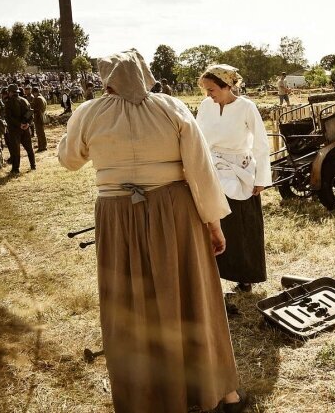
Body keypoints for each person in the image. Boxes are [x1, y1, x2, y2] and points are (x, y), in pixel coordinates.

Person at [57, 50, 247, 413]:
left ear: (105, 78)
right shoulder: (171, 107)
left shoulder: (89, 113)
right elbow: (200, 169)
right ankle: (224, 394)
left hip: (117, 214)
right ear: (146, 74)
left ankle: (146, 399)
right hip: (173, 211)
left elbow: (69, 160)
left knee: (130, 301)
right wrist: (213, 222)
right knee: (193, 294)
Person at [196, 65, 270, 293]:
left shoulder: (246, 107)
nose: (208, 94)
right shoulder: (205, 106)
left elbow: (260, 143)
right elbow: (197, 138)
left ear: (227, 86)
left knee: (241, 225)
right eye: (206, 90)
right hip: (212, 168)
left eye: (212, 89)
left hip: (240, 171)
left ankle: (245, 277)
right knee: (213, 222)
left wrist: (261, 178)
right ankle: (212, 277)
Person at [4, 84, 35, 173]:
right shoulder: (25, 100)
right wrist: (27, 124)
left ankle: (15, 169)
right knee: (29, 148)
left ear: (10, 92)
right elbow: (31, 113)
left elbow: (9, 118)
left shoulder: (8, 103)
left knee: (15, 150)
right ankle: (33, 166)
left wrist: (19, 125)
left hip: (15, 130)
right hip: (25, 128)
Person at [31, 86, 48, 152]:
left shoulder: (37, 99)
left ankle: (42, 146)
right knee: (41, 132)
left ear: (34, 92)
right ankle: (43, 145)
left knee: (39, 132)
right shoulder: (42, 97)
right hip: (42, 116)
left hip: (38, 117)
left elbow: (34, 108)